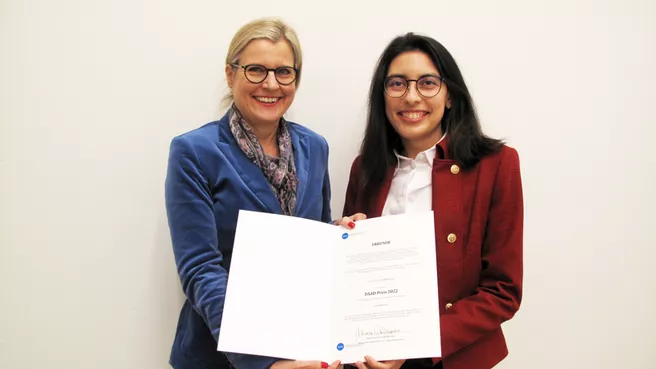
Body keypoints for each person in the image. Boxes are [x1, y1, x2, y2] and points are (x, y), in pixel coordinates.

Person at [337, 33, 524, 369]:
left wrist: (417, 340)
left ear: (450, 95)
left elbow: (503, 291)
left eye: (427, 83)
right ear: (382, 97)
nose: (411, 97)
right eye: (396, 84)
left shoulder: (497, 165)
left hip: (455, 357)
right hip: (372, 360)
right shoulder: (365, 169)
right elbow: (354, 286)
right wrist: (343, 241)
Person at [164, 18, 340, 369]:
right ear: (231, 75)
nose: (271, 84)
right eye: (256, 70)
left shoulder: (315, 147)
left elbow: (315, 245)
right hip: (219, 355)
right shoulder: (193, 152)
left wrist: (343, 233)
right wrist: (263, 363)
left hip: (302, 348)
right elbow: (201, 269)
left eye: (284, 72)